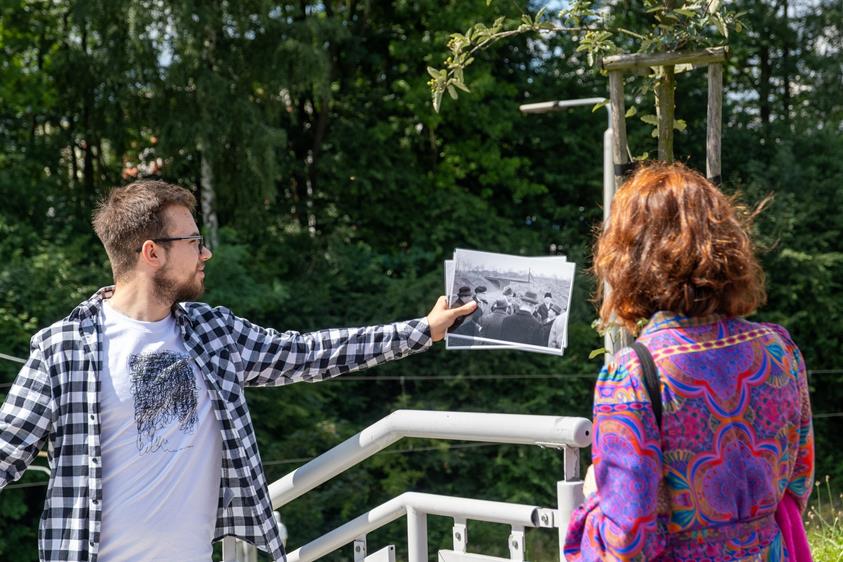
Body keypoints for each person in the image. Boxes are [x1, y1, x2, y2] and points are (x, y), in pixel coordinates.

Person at [0, 180, 476, 562]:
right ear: (151, 253)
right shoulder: (63, 349)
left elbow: (307, 353)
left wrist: (421, 331)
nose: (205, 253)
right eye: (194, 242)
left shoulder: (213, 332)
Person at [564, 163, 814, 561]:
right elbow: (798, 483)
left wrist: (595, 498)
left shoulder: (633, 375)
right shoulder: (778, 351)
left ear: (630, 259)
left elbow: (627, 540)